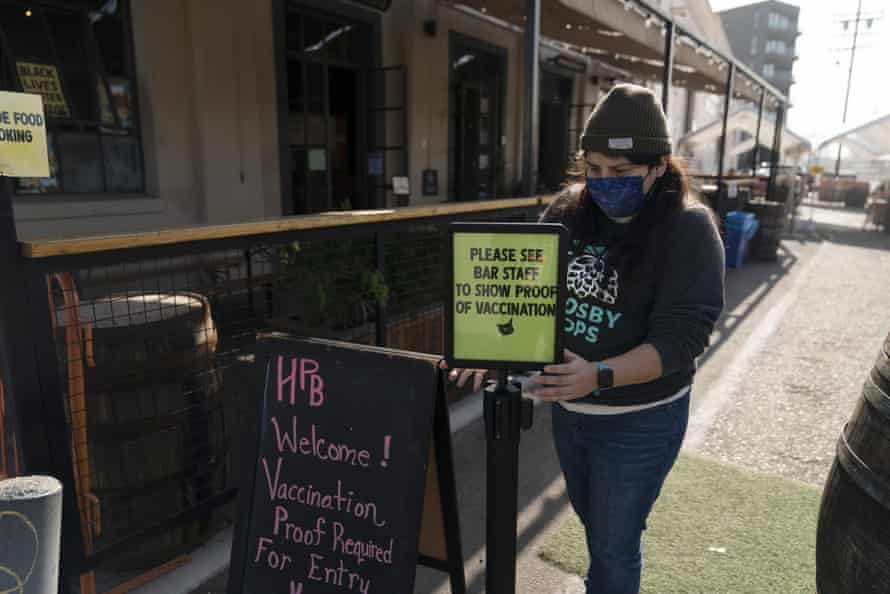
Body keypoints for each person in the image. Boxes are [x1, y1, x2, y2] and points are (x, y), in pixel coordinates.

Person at [443, 84, 725, 594]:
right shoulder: (570, 210)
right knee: (597, 527)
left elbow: (682, 338)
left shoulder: (689, 229)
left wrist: (600, 374)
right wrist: (488, 345)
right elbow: (527, 282)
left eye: (620, 172)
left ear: (658, 166)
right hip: (571, 415)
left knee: (614, 546)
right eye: (593, 169)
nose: (602, 183)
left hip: (641, 419)